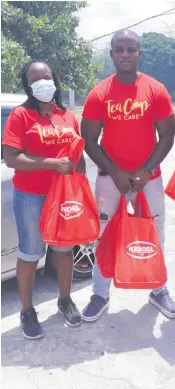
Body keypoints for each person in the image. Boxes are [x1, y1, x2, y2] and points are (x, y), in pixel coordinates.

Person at [80, 29, 175, 322]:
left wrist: (146, 170)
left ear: (139, 53)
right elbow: (89, 139)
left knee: (156, 233)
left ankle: (159, 289)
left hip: (149, 177)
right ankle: (100, 293)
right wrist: (115, 172)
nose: (125, 54)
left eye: (131, 49)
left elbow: (167, 135)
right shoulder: (99, 93)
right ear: (111, 53)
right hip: (110, 179)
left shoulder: (155, 90)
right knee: (104, 234)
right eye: (120, 49)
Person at [2, 60, 85, 339]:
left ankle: (65, 299)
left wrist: (81, 189)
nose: (42, 82)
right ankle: (27, 310)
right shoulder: (20, 116)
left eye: (46, 77)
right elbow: (12, 158)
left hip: (64, 195)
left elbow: (78, 155)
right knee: (30, 253)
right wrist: (52, 164)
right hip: (31, 196)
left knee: (63, 250)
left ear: (55, 79)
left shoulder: (67, 116)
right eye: (35, 79)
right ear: (28, 85)